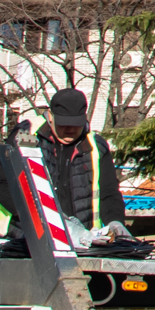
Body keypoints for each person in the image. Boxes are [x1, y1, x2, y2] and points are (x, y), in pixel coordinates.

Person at [34, 87, 123, 240]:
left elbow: (109, 193)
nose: (70, 129)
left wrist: (115, 223)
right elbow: (6, 187)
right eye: (64, 124)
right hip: (25, 241)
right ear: (50, 116)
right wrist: (53, 220)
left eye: (76, 124)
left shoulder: (96, 146)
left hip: (82, 241)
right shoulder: (27, 137)